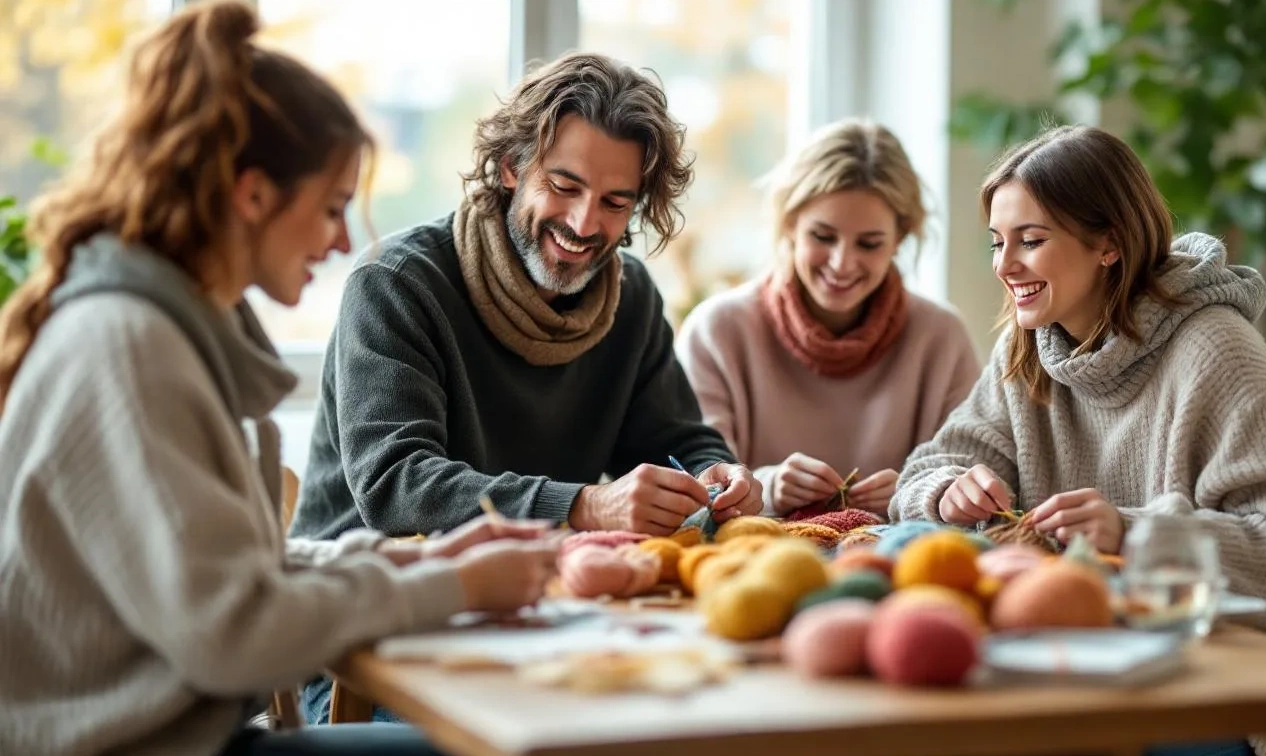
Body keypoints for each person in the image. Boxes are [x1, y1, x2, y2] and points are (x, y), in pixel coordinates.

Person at [0, 3, 560, 755]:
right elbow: (233, 634)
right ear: (253, 195)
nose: (345, 242)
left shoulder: (162, 332)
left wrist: (418, 557)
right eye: (331, 208)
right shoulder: (132, 348)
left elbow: (231, 576)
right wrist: (454, 588)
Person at [893, 125, 1266, 756]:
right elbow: (923, 472)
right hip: (1091, 657)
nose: (1005, 265)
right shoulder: (1027, 351)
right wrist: (947, 491)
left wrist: (1132, 533)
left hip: (1233, 679)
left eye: (1031, 240)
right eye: (998, 242)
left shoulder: (1218, 354)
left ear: (1107, 242)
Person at [289, 51, 763, 543]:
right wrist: (585, 504)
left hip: (524, 584)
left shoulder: (631, 296)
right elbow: (396, 487)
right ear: (512, 167)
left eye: (615, 203)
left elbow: (672, 438)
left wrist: (716, 472)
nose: (583, 224)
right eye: (564, 186)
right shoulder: (396, 283)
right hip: (359, 586)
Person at [675, 119, 980, 520]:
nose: (842, 263)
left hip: (898, 570)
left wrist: (918, 490)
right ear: (790, 224)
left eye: (869, 244)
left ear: (900, 238)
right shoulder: (716, 331)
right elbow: (693, 487)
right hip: (752, 563)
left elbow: (972, 479)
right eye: (822, 236)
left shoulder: (942, 337)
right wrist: (767, 488)